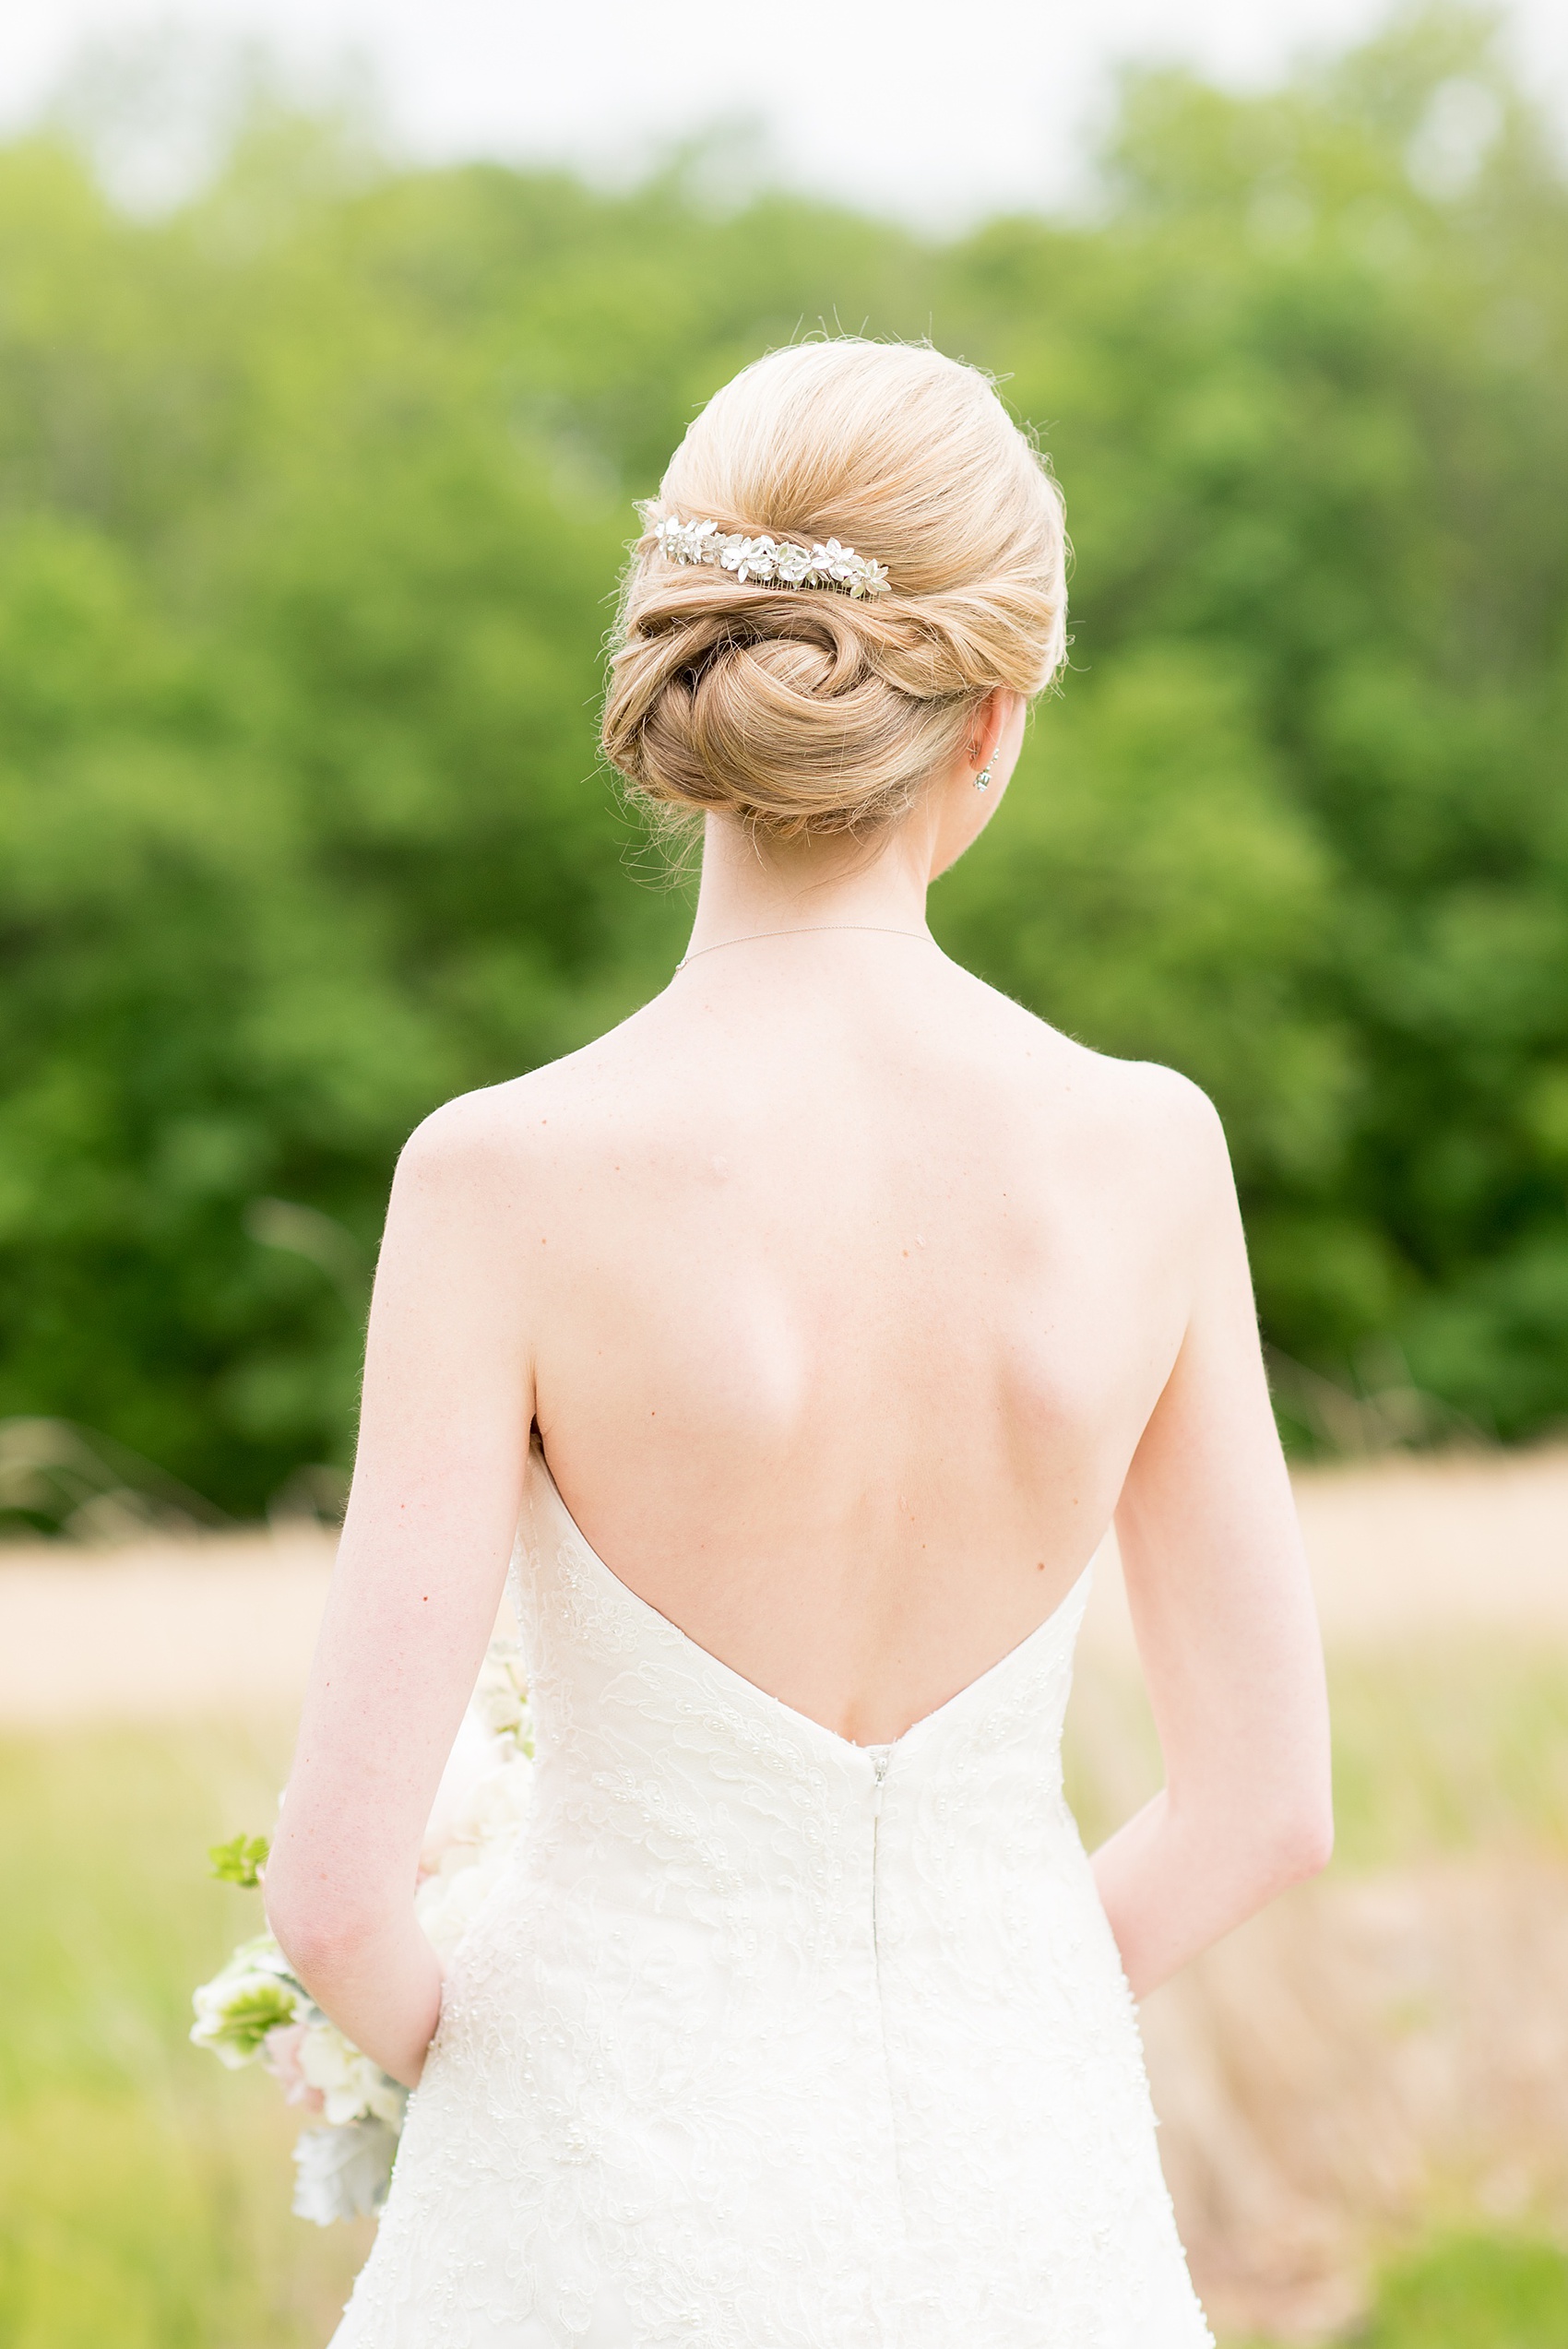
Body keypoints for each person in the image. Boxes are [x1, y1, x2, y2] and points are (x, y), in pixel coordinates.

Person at [264, 338, 1332, 2347]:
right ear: (993, 717)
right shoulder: (1148, 1154)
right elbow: (1267, 1804)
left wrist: (535, 2085)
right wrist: (973, 2002)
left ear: (682, 664)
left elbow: (330, 1896)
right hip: (1025, 2203)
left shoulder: (499, 1176)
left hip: (594, 2226)